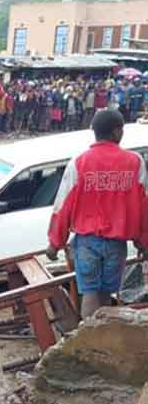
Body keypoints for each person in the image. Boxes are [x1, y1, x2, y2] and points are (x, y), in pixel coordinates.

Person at [47, 109, 148, 320]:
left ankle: (87, 341)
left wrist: (55, 243)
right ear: (117, 132)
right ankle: (100, 341)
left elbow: (62, 205)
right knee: (105, 294)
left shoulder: (79, 163)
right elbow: (144, 208)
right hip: (116, 244)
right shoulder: (135, 162)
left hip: (87, 243)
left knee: (89, 292)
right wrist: (143, 243)